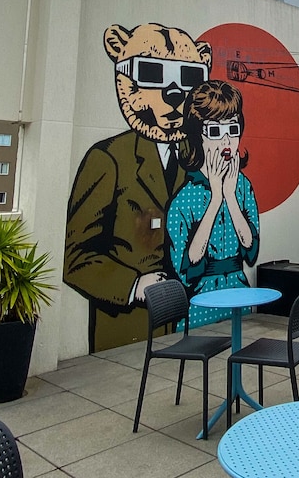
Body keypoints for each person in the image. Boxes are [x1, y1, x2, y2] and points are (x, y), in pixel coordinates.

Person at [64, 22, 212, 351]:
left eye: (189, 77)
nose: (174, 93)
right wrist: (135, 285)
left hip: (187, 321)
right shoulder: (108, 159)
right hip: (128, 327)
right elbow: (76, 258)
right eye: (150, 72)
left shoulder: (196, 157)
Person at [166, 80, 260, 328]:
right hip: (200, 302)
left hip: (239, 294)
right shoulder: (185, 198)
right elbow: (187, 266)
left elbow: (250, 246)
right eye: (215, 131)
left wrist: (230, 195)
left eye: (233, 128)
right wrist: (216, 198)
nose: (226, 140)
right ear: (198, 134)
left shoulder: (243, 186)